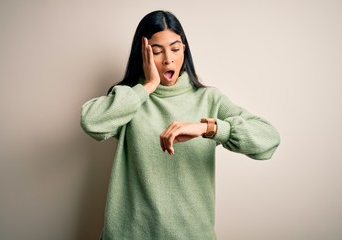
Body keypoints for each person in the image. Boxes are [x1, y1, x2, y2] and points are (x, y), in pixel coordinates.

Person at [80, 10, 280, 240]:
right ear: (143, 55)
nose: (168, 59)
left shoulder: (209, 100)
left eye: (175, 48)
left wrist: (209, 128)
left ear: (184, 49)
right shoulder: (130, 99)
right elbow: (91, 122)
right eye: (157, 51)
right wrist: (148, 86)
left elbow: (269, 138)